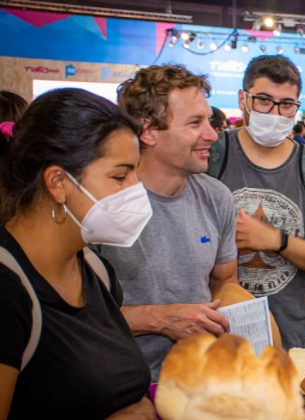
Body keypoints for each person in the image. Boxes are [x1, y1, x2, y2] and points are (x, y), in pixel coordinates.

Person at [0, 88, 154, 418]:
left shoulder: (97, 271)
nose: (136, 190)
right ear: (58, 182)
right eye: (120, 176)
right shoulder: (7, 290)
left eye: (136, 173)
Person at [101, 65, 240, 381]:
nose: (212, 134)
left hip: (199, 381)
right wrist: (158, 319)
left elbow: (225, 282)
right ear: (147, 130)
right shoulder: (103, 202)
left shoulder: (216, 197)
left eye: (208, 120)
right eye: (195, 123)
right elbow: (70, 317)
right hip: (119, 387)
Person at [216, 54, 305, 349]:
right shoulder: (213, 157)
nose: (274, 113)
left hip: (293, 338)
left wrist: (275, 239)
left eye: (286, 104)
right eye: (263, 100)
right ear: (243, 99)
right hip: (220, 338)